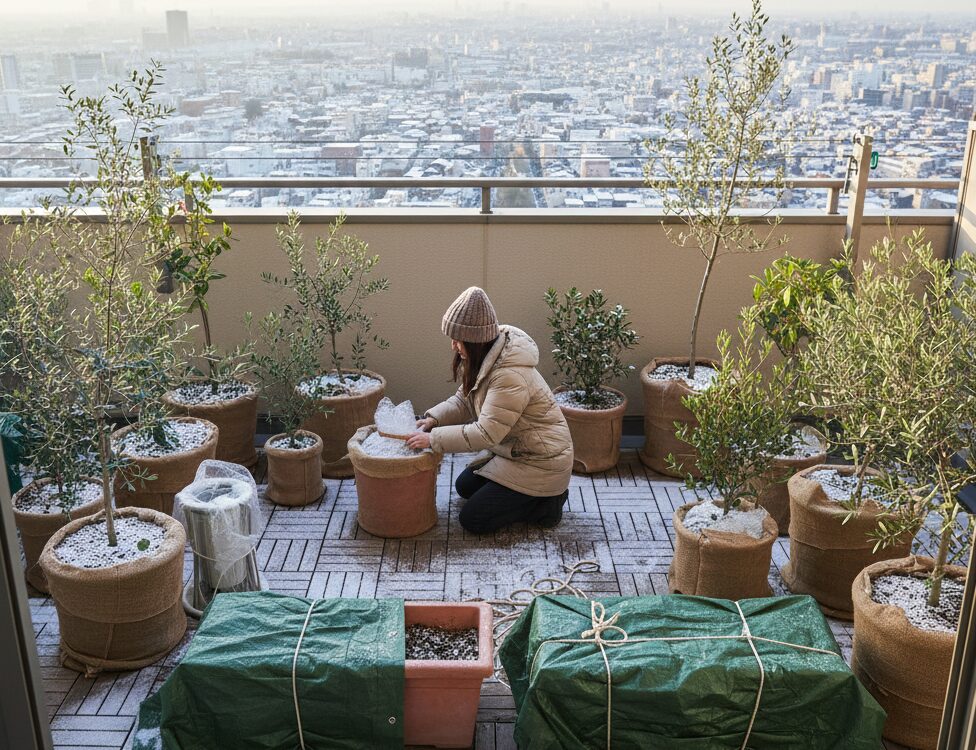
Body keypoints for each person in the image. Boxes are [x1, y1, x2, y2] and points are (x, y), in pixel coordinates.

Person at [406, 287, 573, 534]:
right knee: (464, 486)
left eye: (457, 339)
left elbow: (486, 434)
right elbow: (463, 401)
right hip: (516, 452)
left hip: (542, 462)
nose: (453, 346)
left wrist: (433, 440)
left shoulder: (509, 375)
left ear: (475, 341)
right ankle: (527, 496)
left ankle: (547, 504)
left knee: (473, 520)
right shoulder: (483, 359)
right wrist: (433, 420)